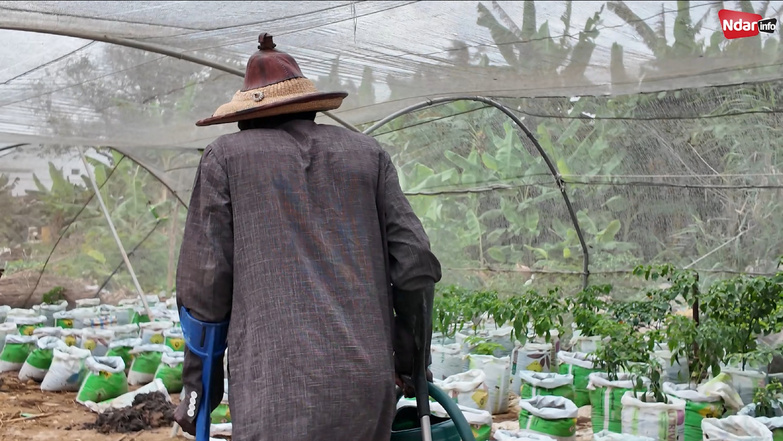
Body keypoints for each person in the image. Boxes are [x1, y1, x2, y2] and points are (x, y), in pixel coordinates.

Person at [174, 33, 442, 441]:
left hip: (276, 392)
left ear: (244, 117)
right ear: (309, 110)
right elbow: (416, 264)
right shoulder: (369, 156)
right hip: (364, 389)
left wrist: (198, 394)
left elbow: (206, 290)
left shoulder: (226, 160)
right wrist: (411, 362)